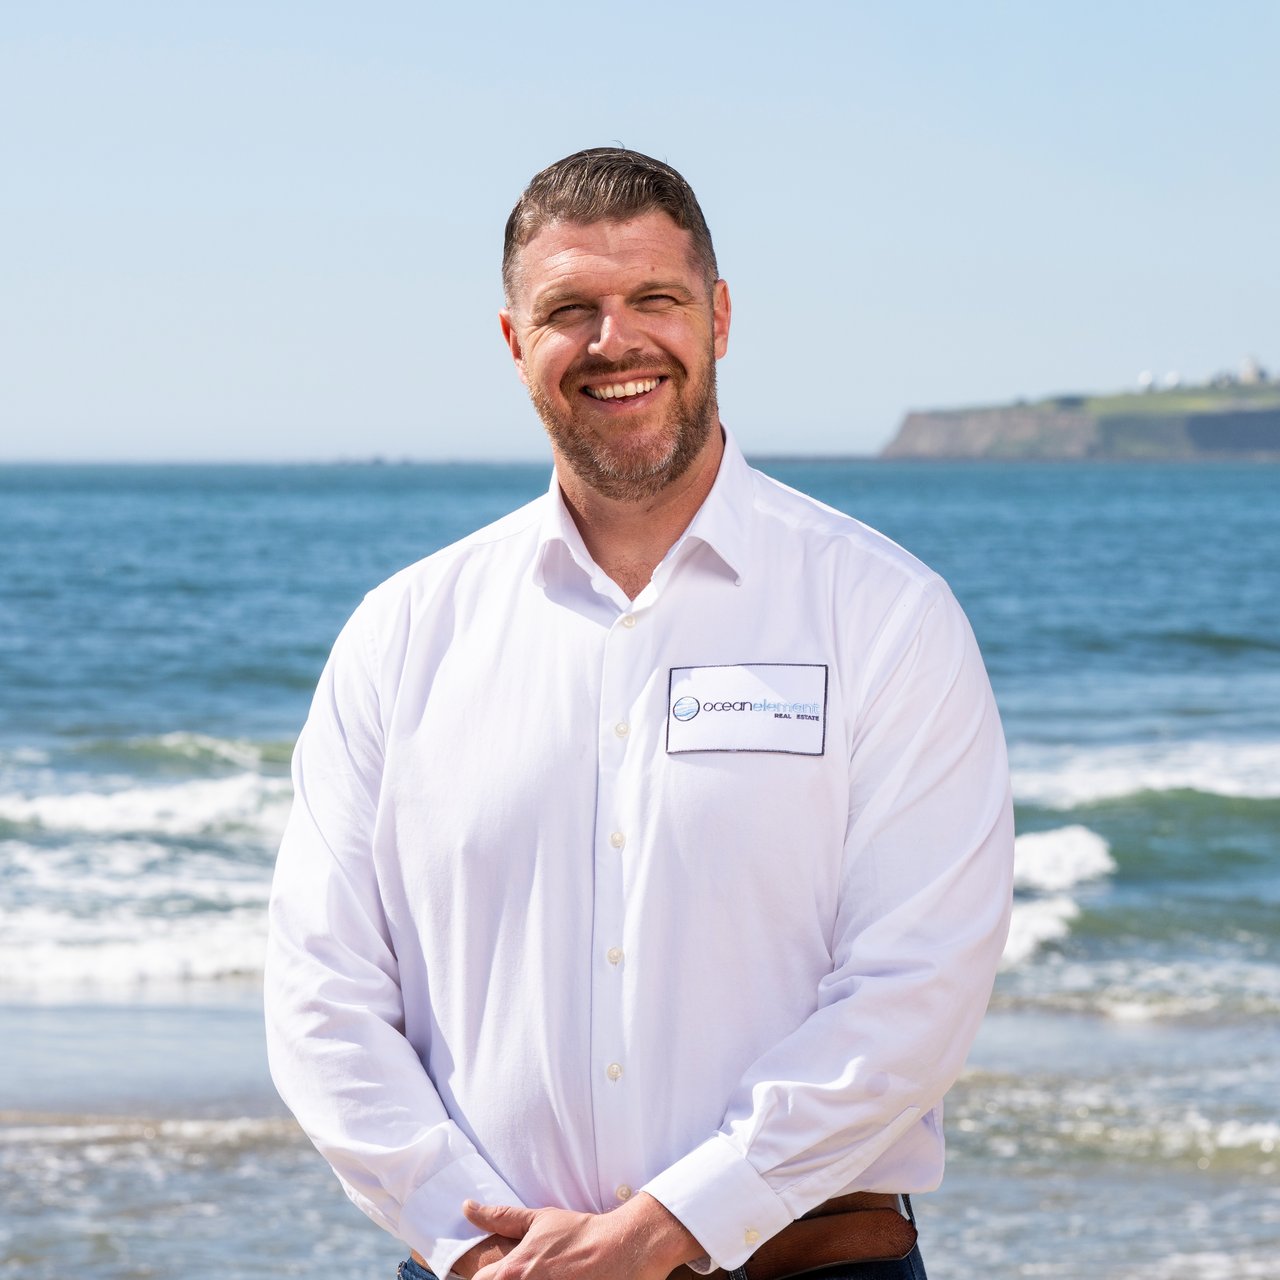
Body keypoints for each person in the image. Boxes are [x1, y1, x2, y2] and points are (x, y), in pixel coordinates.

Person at [265, 147, 1014, 1280]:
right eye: (570, 309)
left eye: (654, 298)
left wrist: (670, 1225)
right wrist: (475, 1247)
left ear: (718, 316)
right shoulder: (402, 634)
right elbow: (321, 990)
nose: (615, 342)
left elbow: (920, 983)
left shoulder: (884, 615)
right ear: (514, 341)